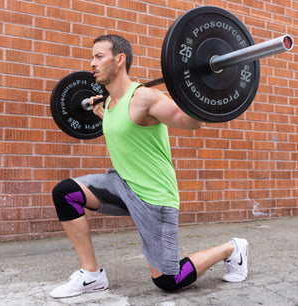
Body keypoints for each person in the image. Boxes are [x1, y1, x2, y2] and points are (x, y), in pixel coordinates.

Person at [50, 34, 249, 299]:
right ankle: (91, 275)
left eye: (99, 56)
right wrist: (91, 106)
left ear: (119, 59)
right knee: (65, 192)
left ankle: (232, 249)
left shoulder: (146, 98)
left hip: (154, 196)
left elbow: (189, 121)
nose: (92, 63)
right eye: (92, 57)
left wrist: (202, 85)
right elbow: (103, 115)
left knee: (169, 280)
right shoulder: (107, 103)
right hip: (122, 184)